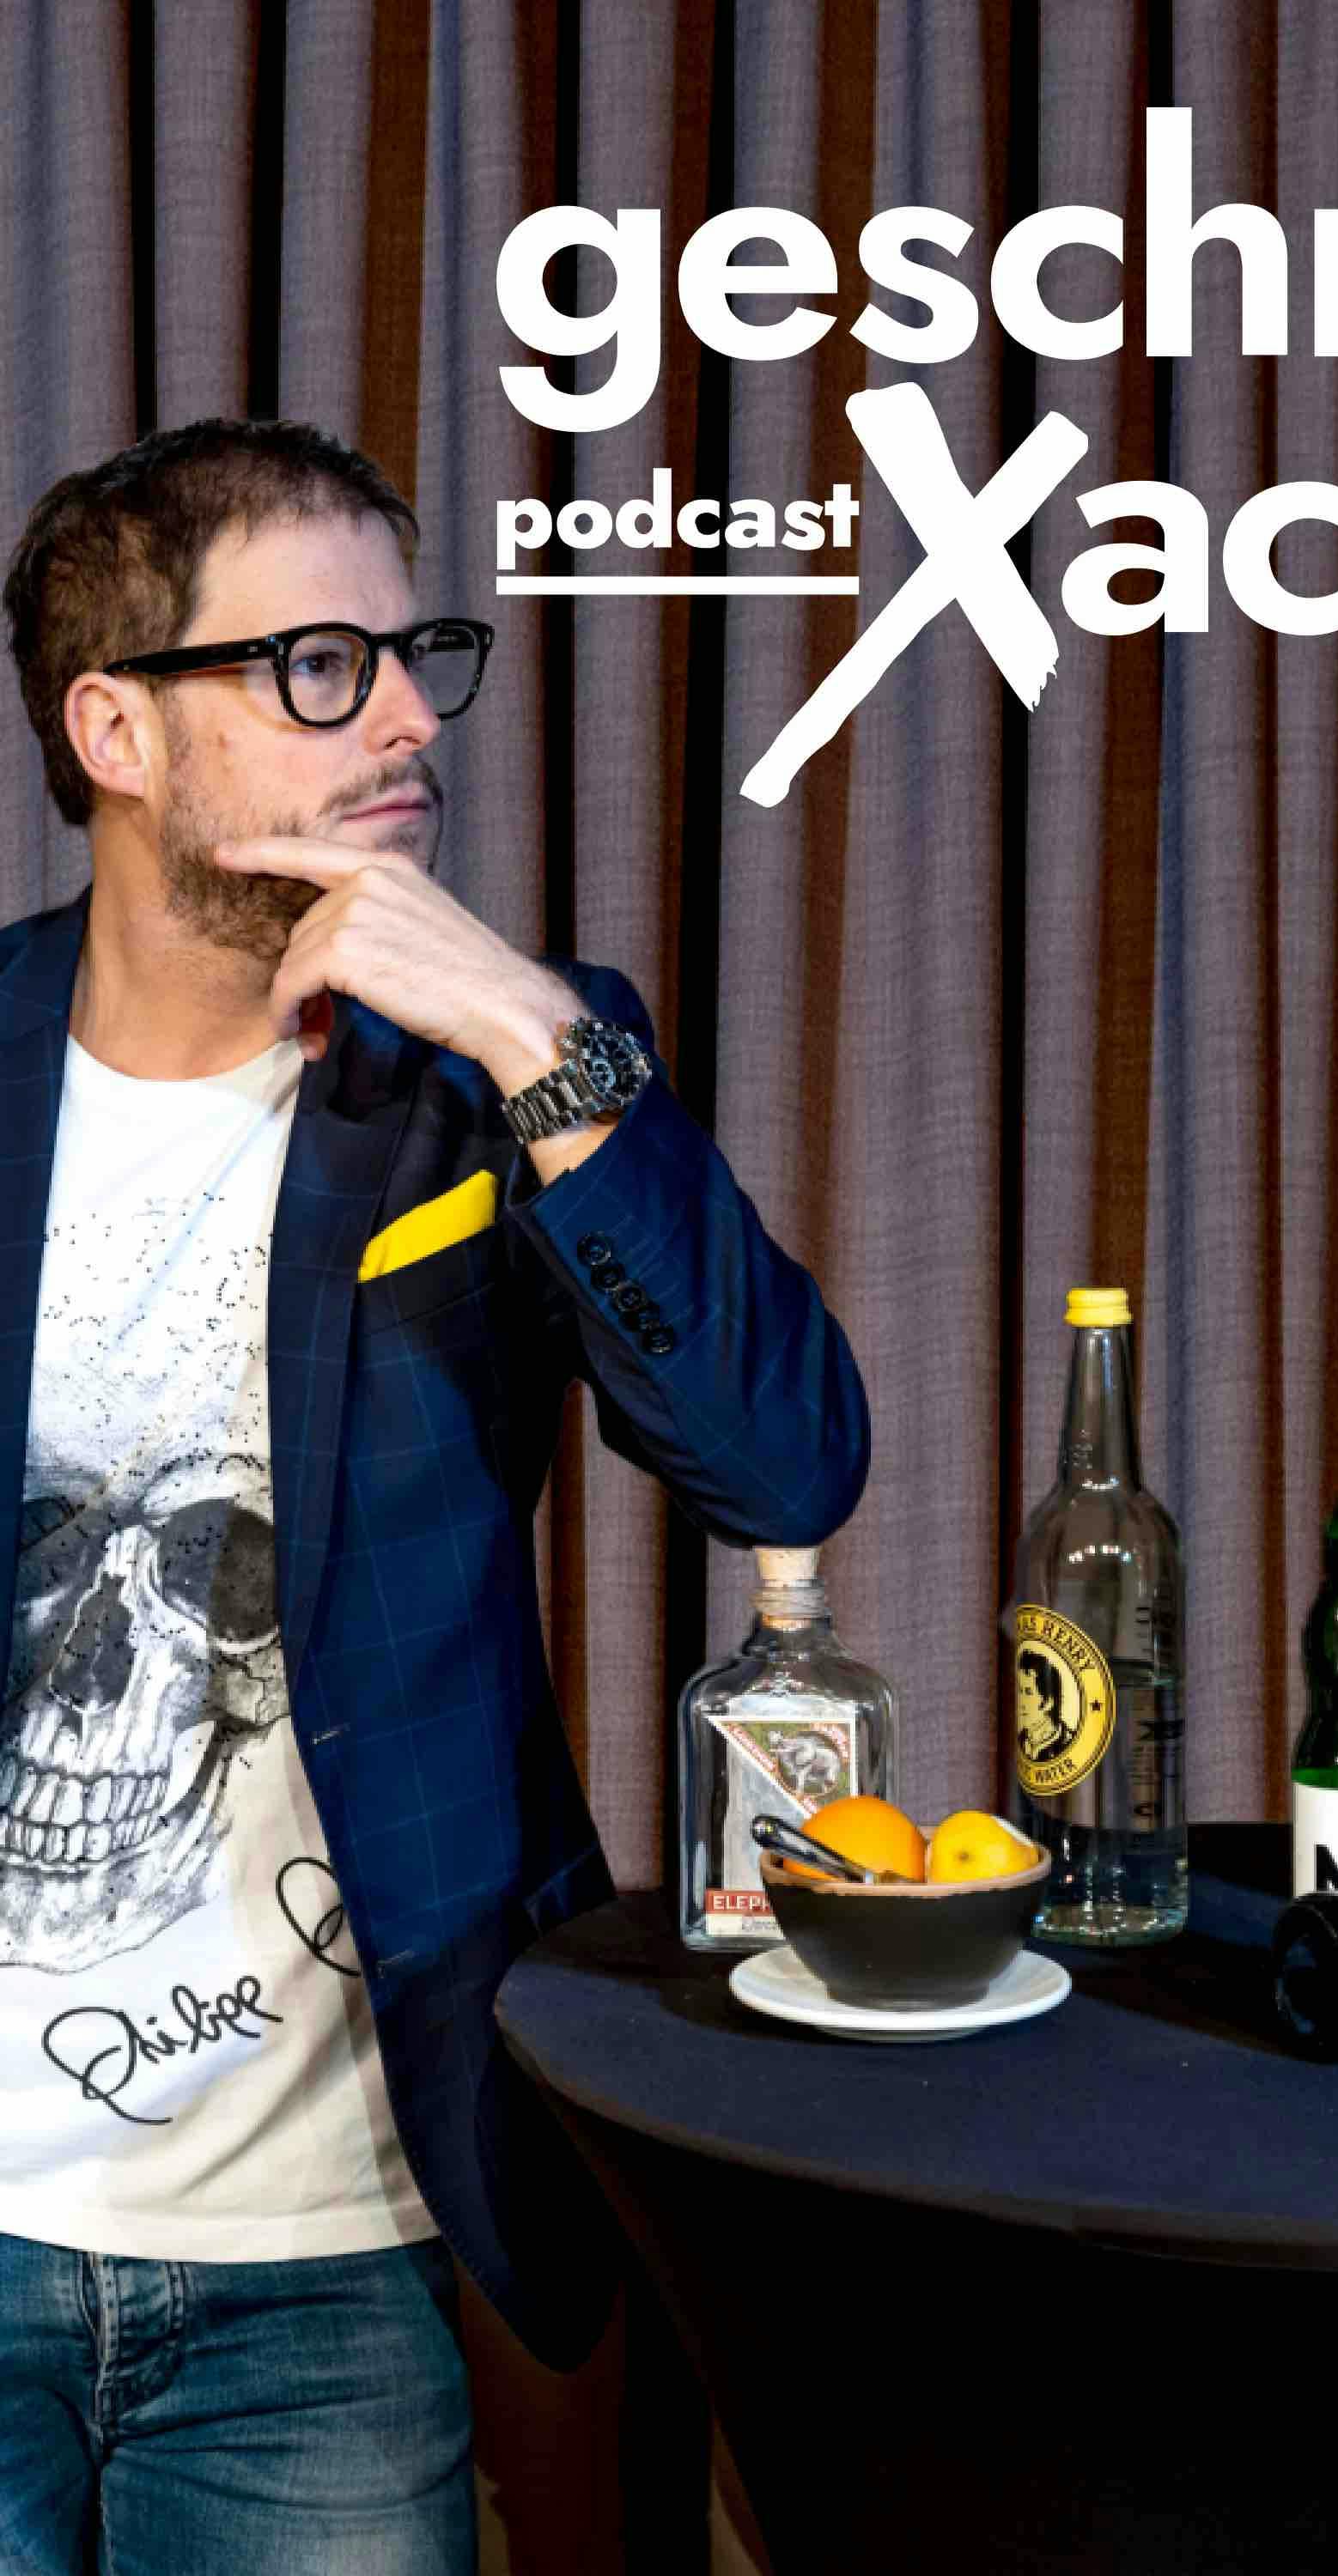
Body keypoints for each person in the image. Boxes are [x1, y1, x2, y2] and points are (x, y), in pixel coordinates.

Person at [0, 419, 868, 2573]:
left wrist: (536, 1040)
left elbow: (785, 1458)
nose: (405, 717)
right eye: (318, 667)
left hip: (325, 2265)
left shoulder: (507, 1073)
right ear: (116, 729)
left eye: (412, 656)